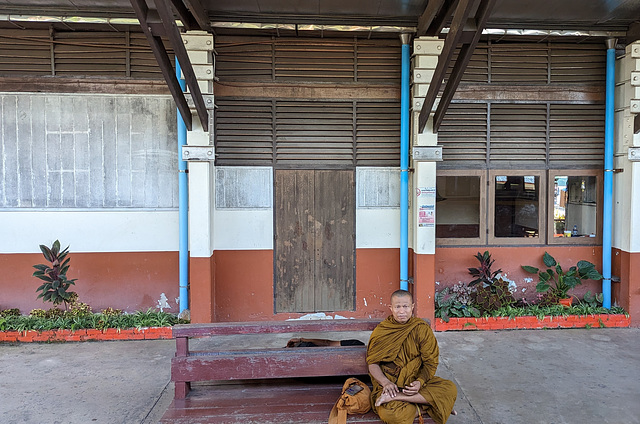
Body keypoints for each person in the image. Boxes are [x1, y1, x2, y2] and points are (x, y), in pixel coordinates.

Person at [366, 289, 457, 424]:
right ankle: (428, 406)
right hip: (391, 383)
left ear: (412, 307)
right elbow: (372, 364)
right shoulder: (382, 331)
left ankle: (399, 398)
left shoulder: (421, 329)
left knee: (450, 389)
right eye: (397, 307)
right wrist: (386, 383)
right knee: (390, 414)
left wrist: (420, 381)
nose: (402, 311)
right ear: (391, 308)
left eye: (406, 306)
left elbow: (430, 363)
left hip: (415, 382)